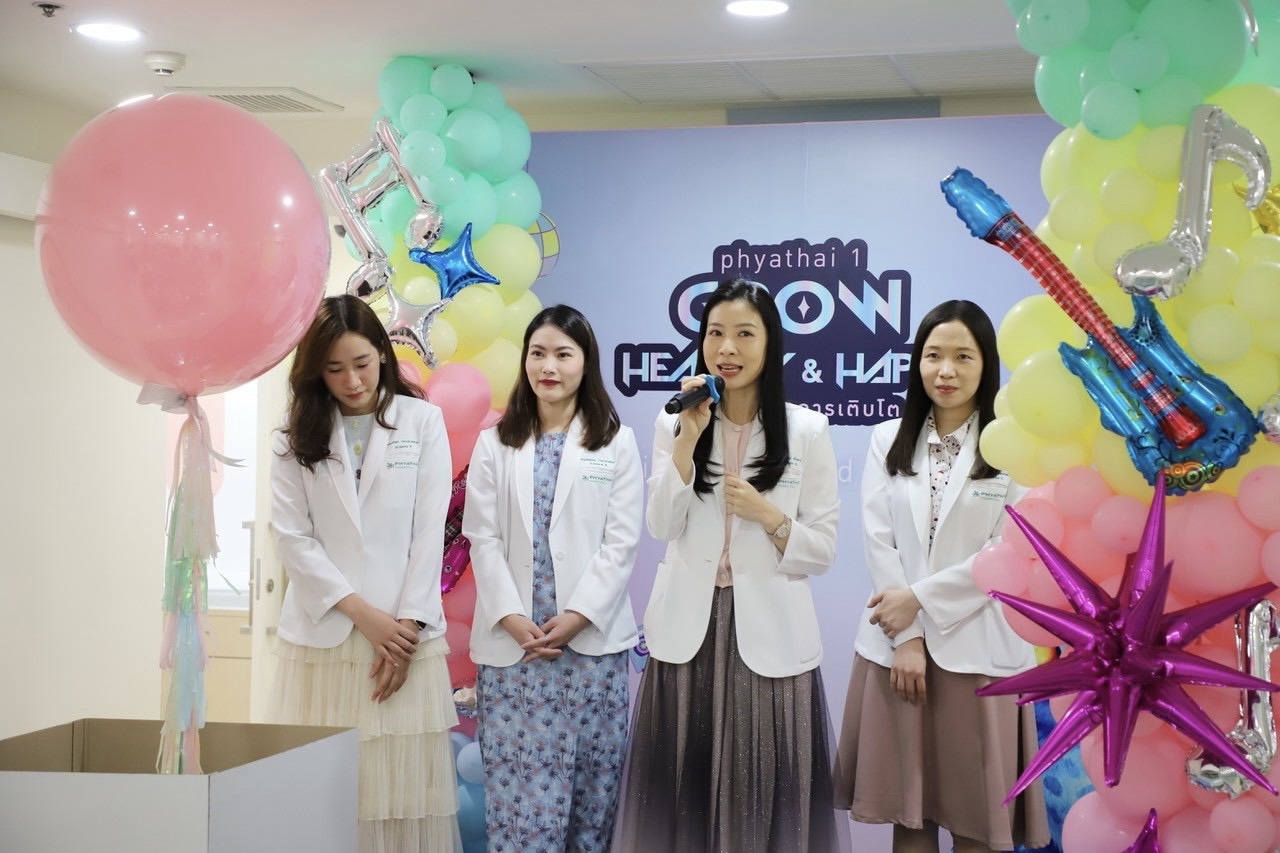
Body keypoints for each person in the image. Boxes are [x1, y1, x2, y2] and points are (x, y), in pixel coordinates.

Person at [615, 278, 841, 853]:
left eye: (744, 334)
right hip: (689, 634)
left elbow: (822, 549)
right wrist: (686, 442)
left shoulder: (807, 430)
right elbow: (661, 526)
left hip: (769, 635)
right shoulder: (674, 422)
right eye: (715, 333)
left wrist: (771, 516)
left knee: (760, 804)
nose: (727, 349)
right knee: (682, 808)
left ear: (770, 344)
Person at [834, 299, 1050, 853]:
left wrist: (919, 601)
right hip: (896, 653)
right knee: (910, 820)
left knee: (977, 826)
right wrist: (907, 637)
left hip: (981, 652)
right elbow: (879, 541)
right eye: (933, 356)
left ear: (986, 364)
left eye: (962, 357)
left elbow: (1011, 550)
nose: (945, 370)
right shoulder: (887, 437)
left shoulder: (1014, 445)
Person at [267, 294, 460, 853]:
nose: (352, 381)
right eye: (334, 369)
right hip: (325, 638)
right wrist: (362, 614)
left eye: (362, 363)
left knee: (398, 800)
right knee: (323, 796)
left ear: (382, 353)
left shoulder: (422, 422)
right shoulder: (291, 436)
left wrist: (406, 627)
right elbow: (293, 538)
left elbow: (430, 530)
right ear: (314, 372)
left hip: (403, 639)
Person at [463, 304, 643, 852]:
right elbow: (482, 538)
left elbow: (621, 542)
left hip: (590, 654)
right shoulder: (496, 443)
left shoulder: (616, 442)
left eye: (564, 354)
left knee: (590, 811)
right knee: (521, 816)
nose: (549, 366)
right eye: (538, 353)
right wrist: (511, 617)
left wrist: (578, 615)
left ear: (585, 363)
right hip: (515, 655)